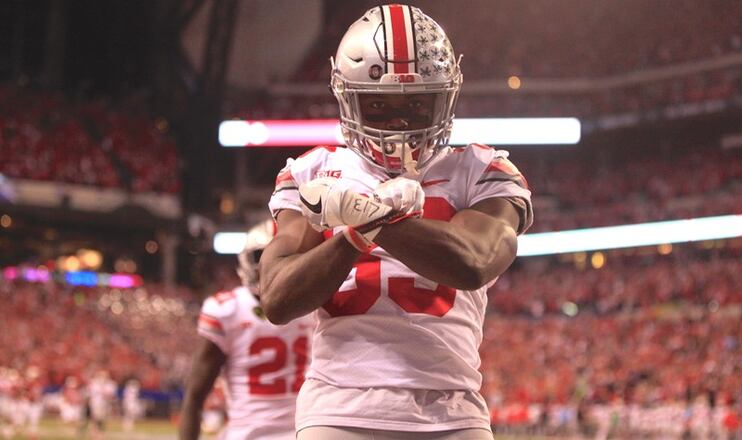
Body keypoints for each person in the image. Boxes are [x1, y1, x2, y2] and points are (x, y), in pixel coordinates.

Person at [259, 4, 533, 439]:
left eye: (418, 104)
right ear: (348, 98)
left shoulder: (481, 169)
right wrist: (356, 235)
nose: (399, 122)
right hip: (338, 412)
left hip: (452, 413)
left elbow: (474, 263)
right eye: (378, 105)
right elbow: (277, 298)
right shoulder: (312, 172)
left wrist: (371, 217)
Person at [179, 220, 315, 440]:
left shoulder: (227, 308)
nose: (272, 264)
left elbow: (194, 397)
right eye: (262, 256)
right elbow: (194, 396)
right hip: (298, 432)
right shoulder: (316, 304)